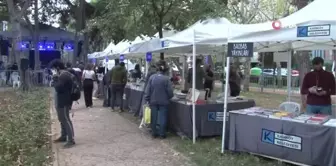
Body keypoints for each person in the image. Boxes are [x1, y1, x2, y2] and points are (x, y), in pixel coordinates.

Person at [144, 60, 174, 139]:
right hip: (164, 101)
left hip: (153, 101)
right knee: (162, 117)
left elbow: (148, 90)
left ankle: (154, 133)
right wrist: (170, 97)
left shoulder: (152, 77)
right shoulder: (166, 79)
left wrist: (147, 98)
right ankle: (162, 134)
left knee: (153, 117)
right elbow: (170, 92)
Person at [50, 59, 75, 148]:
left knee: (65, 119)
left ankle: (71, 139)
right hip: (62, 100)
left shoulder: (64, 75)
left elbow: (58, 88)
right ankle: (64, 136)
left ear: (57, 68)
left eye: (53, 69)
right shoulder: (63, 74)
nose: (52, 71)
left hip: (64, 100)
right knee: (62, 118)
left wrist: (55, 78)